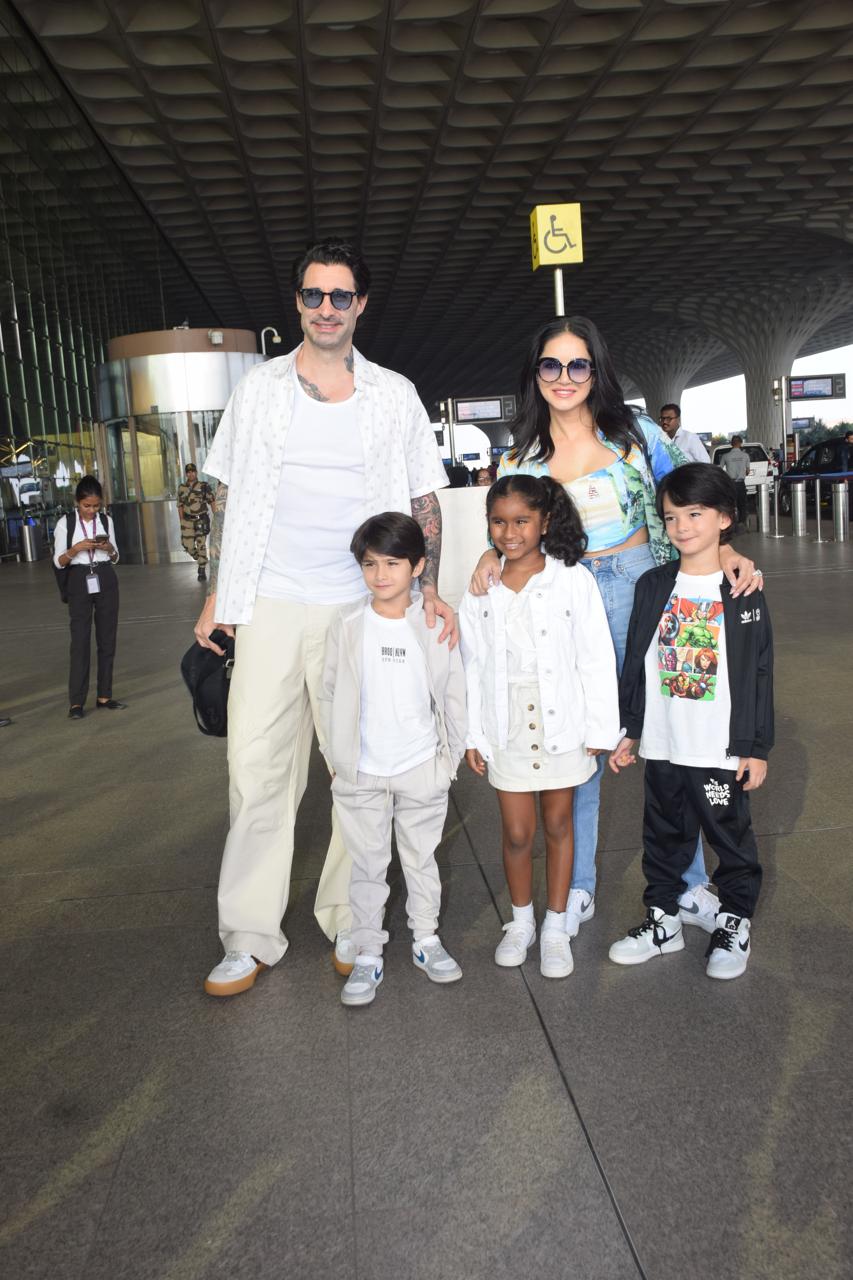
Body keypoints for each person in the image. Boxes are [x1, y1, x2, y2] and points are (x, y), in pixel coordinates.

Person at [194, 238, 455, 998]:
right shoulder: (260, 389)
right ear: (298, 303)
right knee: (255, 770)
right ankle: (248, 934)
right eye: (314, 296)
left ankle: (352, 918)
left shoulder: (393, 394)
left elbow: (420, 502)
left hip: (359, 605)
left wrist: (425, 588)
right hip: (270, 600)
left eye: (341, 296)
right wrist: (218, 592)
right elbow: (229, 495)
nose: (327, 309)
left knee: (358, 769)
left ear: (361, 305)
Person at [469, 317, 761, 940]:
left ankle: (685, 886)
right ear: (536, 374)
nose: (565, 378)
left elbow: (695, 497)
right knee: (577, 746)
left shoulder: (637, 434)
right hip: (563, 597)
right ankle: (576, 891)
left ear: (596, 371)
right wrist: (491, 555)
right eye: (552, 365)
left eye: (579, 365)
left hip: (643, 587)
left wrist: (728, 552)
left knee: (667, 736)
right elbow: (510, 528)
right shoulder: (519, 456)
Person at [608, 464, 772, 980]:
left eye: (695, 513)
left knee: (729, 838)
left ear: (724, 518)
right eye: (671, 516)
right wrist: (632, 729)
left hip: (718, 749)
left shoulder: (741, 589)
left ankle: (735, 921)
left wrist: (755, 746)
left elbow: (757, 670)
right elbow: (639, 657)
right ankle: (663, 920)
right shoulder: (655, 583)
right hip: (663, 743)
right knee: (662, 835)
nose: (681, 526)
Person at [460, 475, 619, 978]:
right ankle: (521, 922)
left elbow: (595, 656)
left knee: (558, 825)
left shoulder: (572, 578)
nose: (510, 532)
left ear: (545, 521)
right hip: (505, 722)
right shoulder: (481, 589)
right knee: (515, 831)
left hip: (562, 721)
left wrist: (600, 727)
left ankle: (555, 926)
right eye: (499, 522)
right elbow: (470, 665)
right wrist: (473, 734)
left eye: (522, 521)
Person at [319, 512, 466, 1007]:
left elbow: (453, 693)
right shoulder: (347, 624)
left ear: (418, 566)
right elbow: (329, 691)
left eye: (393, 563)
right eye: (370, 564)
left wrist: (450, 763)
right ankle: (367, 954)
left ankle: (426, 939)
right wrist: (334, 756)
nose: (380, 575)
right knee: (366, 866)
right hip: (361, 770)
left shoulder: (431, 622)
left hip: (421, 766)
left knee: (421, 859)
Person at [53, 475, 126, 720]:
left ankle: (105, 694)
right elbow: (59, 561)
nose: (92, 511)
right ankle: (76, 702)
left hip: (104, 577)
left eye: (96, 506)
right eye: (87, 506)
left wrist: (108, 549)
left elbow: (116, 557)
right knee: (80, 641)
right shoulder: (66, 523)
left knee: (107, 638)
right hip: (79, 579)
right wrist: (75, 549)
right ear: (77, 502)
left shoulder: (106, 521)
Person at [177, 463, 216, 581]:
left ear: (196, 472)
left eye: (193, 471)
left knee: (201, 545)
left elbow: (212, 501)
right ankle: (199, 558)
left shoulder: (204, 486)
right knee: (187, 545)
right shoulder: (182, 488)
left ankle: (202, 569)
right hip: (187, 521)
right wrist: (182, 521)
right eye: (188, 472)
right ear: (186, 474)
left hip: (201, 520)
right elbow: (180, 506)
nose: (191, 474)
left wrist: (216, 517)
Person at [720, 434, 749, 528]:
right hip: (741, 483)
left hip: (730, 484)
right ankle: (742, 523)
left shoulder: (725, 456)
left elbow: (720, 470)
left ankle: (731, 524)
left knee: (731, 504)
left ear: (731, 444)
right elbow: (748, 471)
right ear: (740, 443)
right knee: (742, 504)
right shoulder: (745, 456)